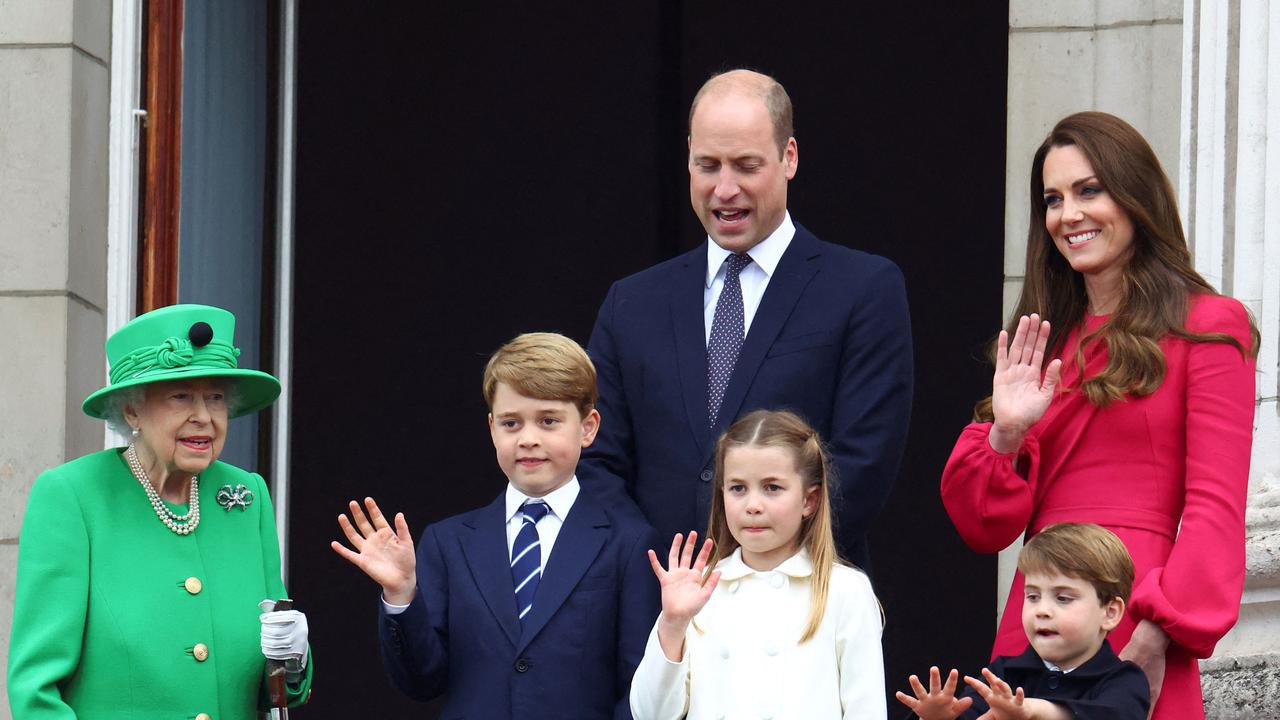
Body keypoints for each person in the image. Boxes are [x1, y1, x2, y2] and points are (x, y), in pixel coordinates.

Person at [940, 111, 1258, 719]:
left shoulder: (1211, 324)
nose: (1069, 215)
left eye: (1090, 190)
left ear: (1136, 196)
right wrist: (1005, 432)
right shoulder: (1042, 339)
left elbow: (1216, 505)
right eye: (1053, 199)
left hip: (1139, 611)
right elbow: (982, 527)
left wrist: (1161, 627)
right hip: (1039, 622)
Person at [581, 68, 912, 571]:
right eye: (708, 165)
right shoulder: (632, 301)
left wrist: (753, 570)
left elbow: (860, 466)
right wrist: (659, 566)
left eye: (746, 165)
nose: (725, 188)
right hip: (660, 606)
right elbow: (597, 458)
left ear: (789, 158)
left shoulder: (862, 290)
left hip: (800, 607)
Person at [7, 304, 313, 719]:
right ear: (132, 410)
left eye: (216, 398)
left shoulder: (246, 497)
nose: (203, 417)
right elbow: (35, 691)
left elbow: (276, 690)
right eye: (181, 396)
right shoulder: (72, 497)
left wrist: (292, 660)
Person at [332, 332, 659, 719]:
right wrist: (402, 595)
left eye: (549, 421)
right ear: (491, 428)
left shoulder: (629, 542)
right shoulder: (449, 542)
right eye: (511, 423)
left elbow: (639, 685)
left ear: (588, 427)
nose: (529, 439)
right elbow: (421, 681)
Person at [629, 409, 885, 719]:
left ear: (809, 500)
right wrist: (673, 624)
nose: (752, 506)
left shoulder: (844, 590)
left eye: (772, 488)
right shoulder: (701, 590)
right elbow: (650, 713)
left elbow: (866, 709)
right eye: (738, 488)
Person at [897, 522, 1150, 720]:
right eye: (1032, 596)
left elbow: (1114, 715)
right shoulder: (1004, 674)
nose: (1042, 610)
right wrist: (937, 718)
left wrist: (1034, 711)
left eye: (1062, 598)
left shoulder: (1124, 680)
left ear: (1110, 612)